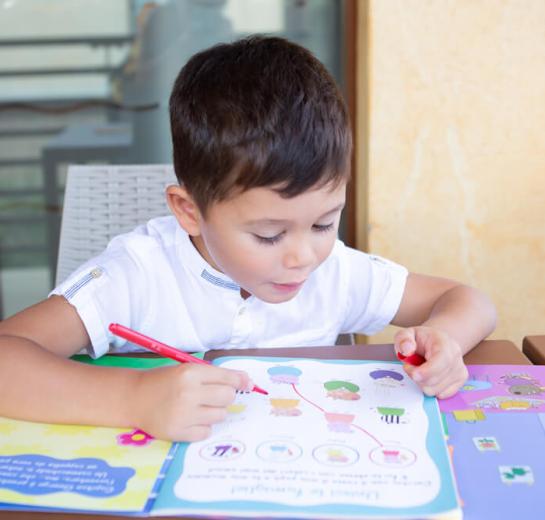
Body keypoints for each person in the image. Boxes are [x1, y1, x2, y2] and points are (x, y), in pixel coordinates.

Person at [0, 36, 496, 441]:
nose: (304, 256)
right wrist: (133, 398)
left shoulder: (335, 272)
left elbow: (468, 300)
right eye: (269, 234)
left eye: (325, 223)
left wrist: (446, 342)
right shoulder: (136, 274)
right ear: (189, 211)